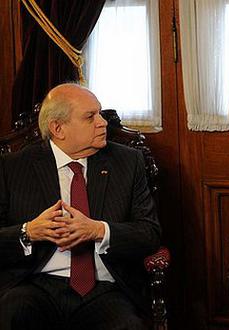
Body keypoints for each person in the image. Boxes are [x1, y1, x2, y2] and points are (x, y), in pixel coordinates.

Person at [0, 83, 161, 329]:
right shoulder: (13, 167)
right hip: (35, 284)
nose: (103, 122)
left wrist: (98, 230)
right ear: (58, 128)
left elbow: (150, 234)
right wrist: (28, 231)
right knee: (12, 314)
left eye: (100, 113)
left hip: (105, 288)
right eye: (90, 117)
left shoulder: (128, 162)